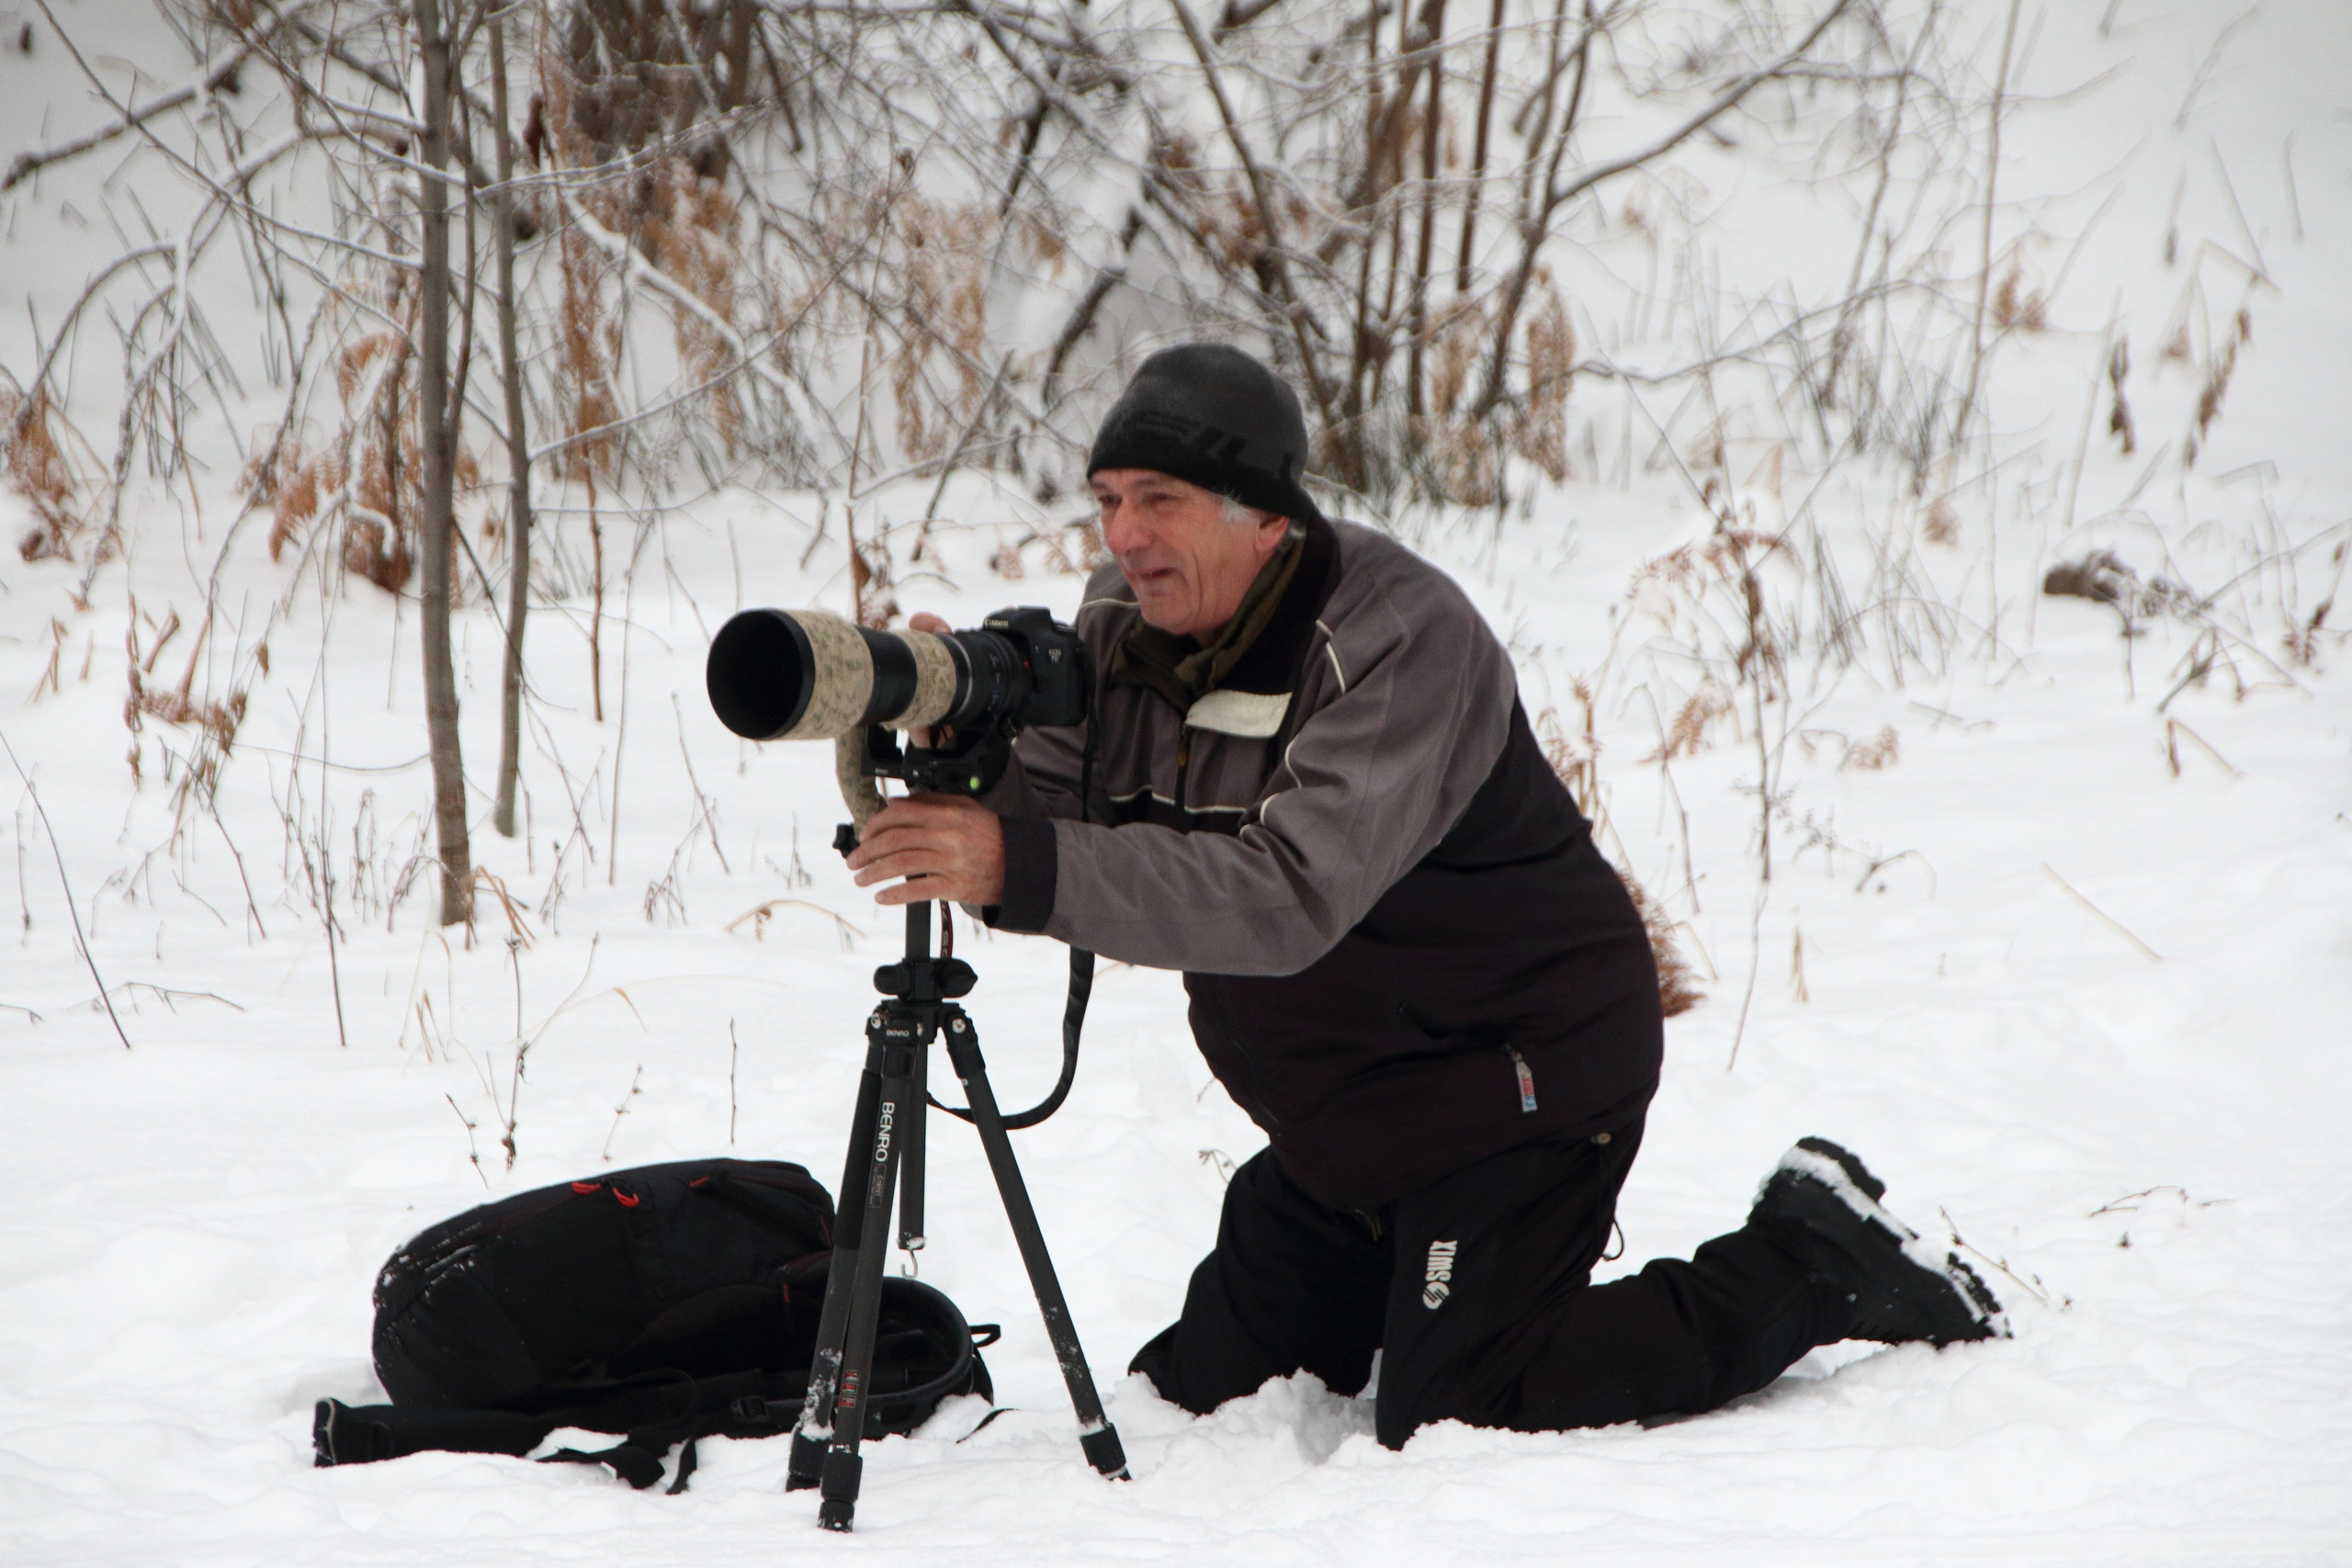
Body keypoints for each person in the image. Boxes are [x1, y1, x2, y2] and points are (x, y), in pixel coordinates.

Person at [844, 343, 2003, 1447]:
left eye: (1158, 499)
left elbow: (1286, 897)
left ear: (1264, 517)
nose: (1123, 535)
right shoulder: (1125, 617)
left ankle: (1807, 1258)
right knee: (1198, 1401)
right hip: (1346, 1126)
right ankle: (1406, 1263)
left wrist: (1019, 865)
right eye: (1105, 500)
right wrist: (972, 759)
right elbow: (1065, 816)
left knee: (1464, 1402)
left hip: (1514, 1082)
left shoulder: (1397, 639)